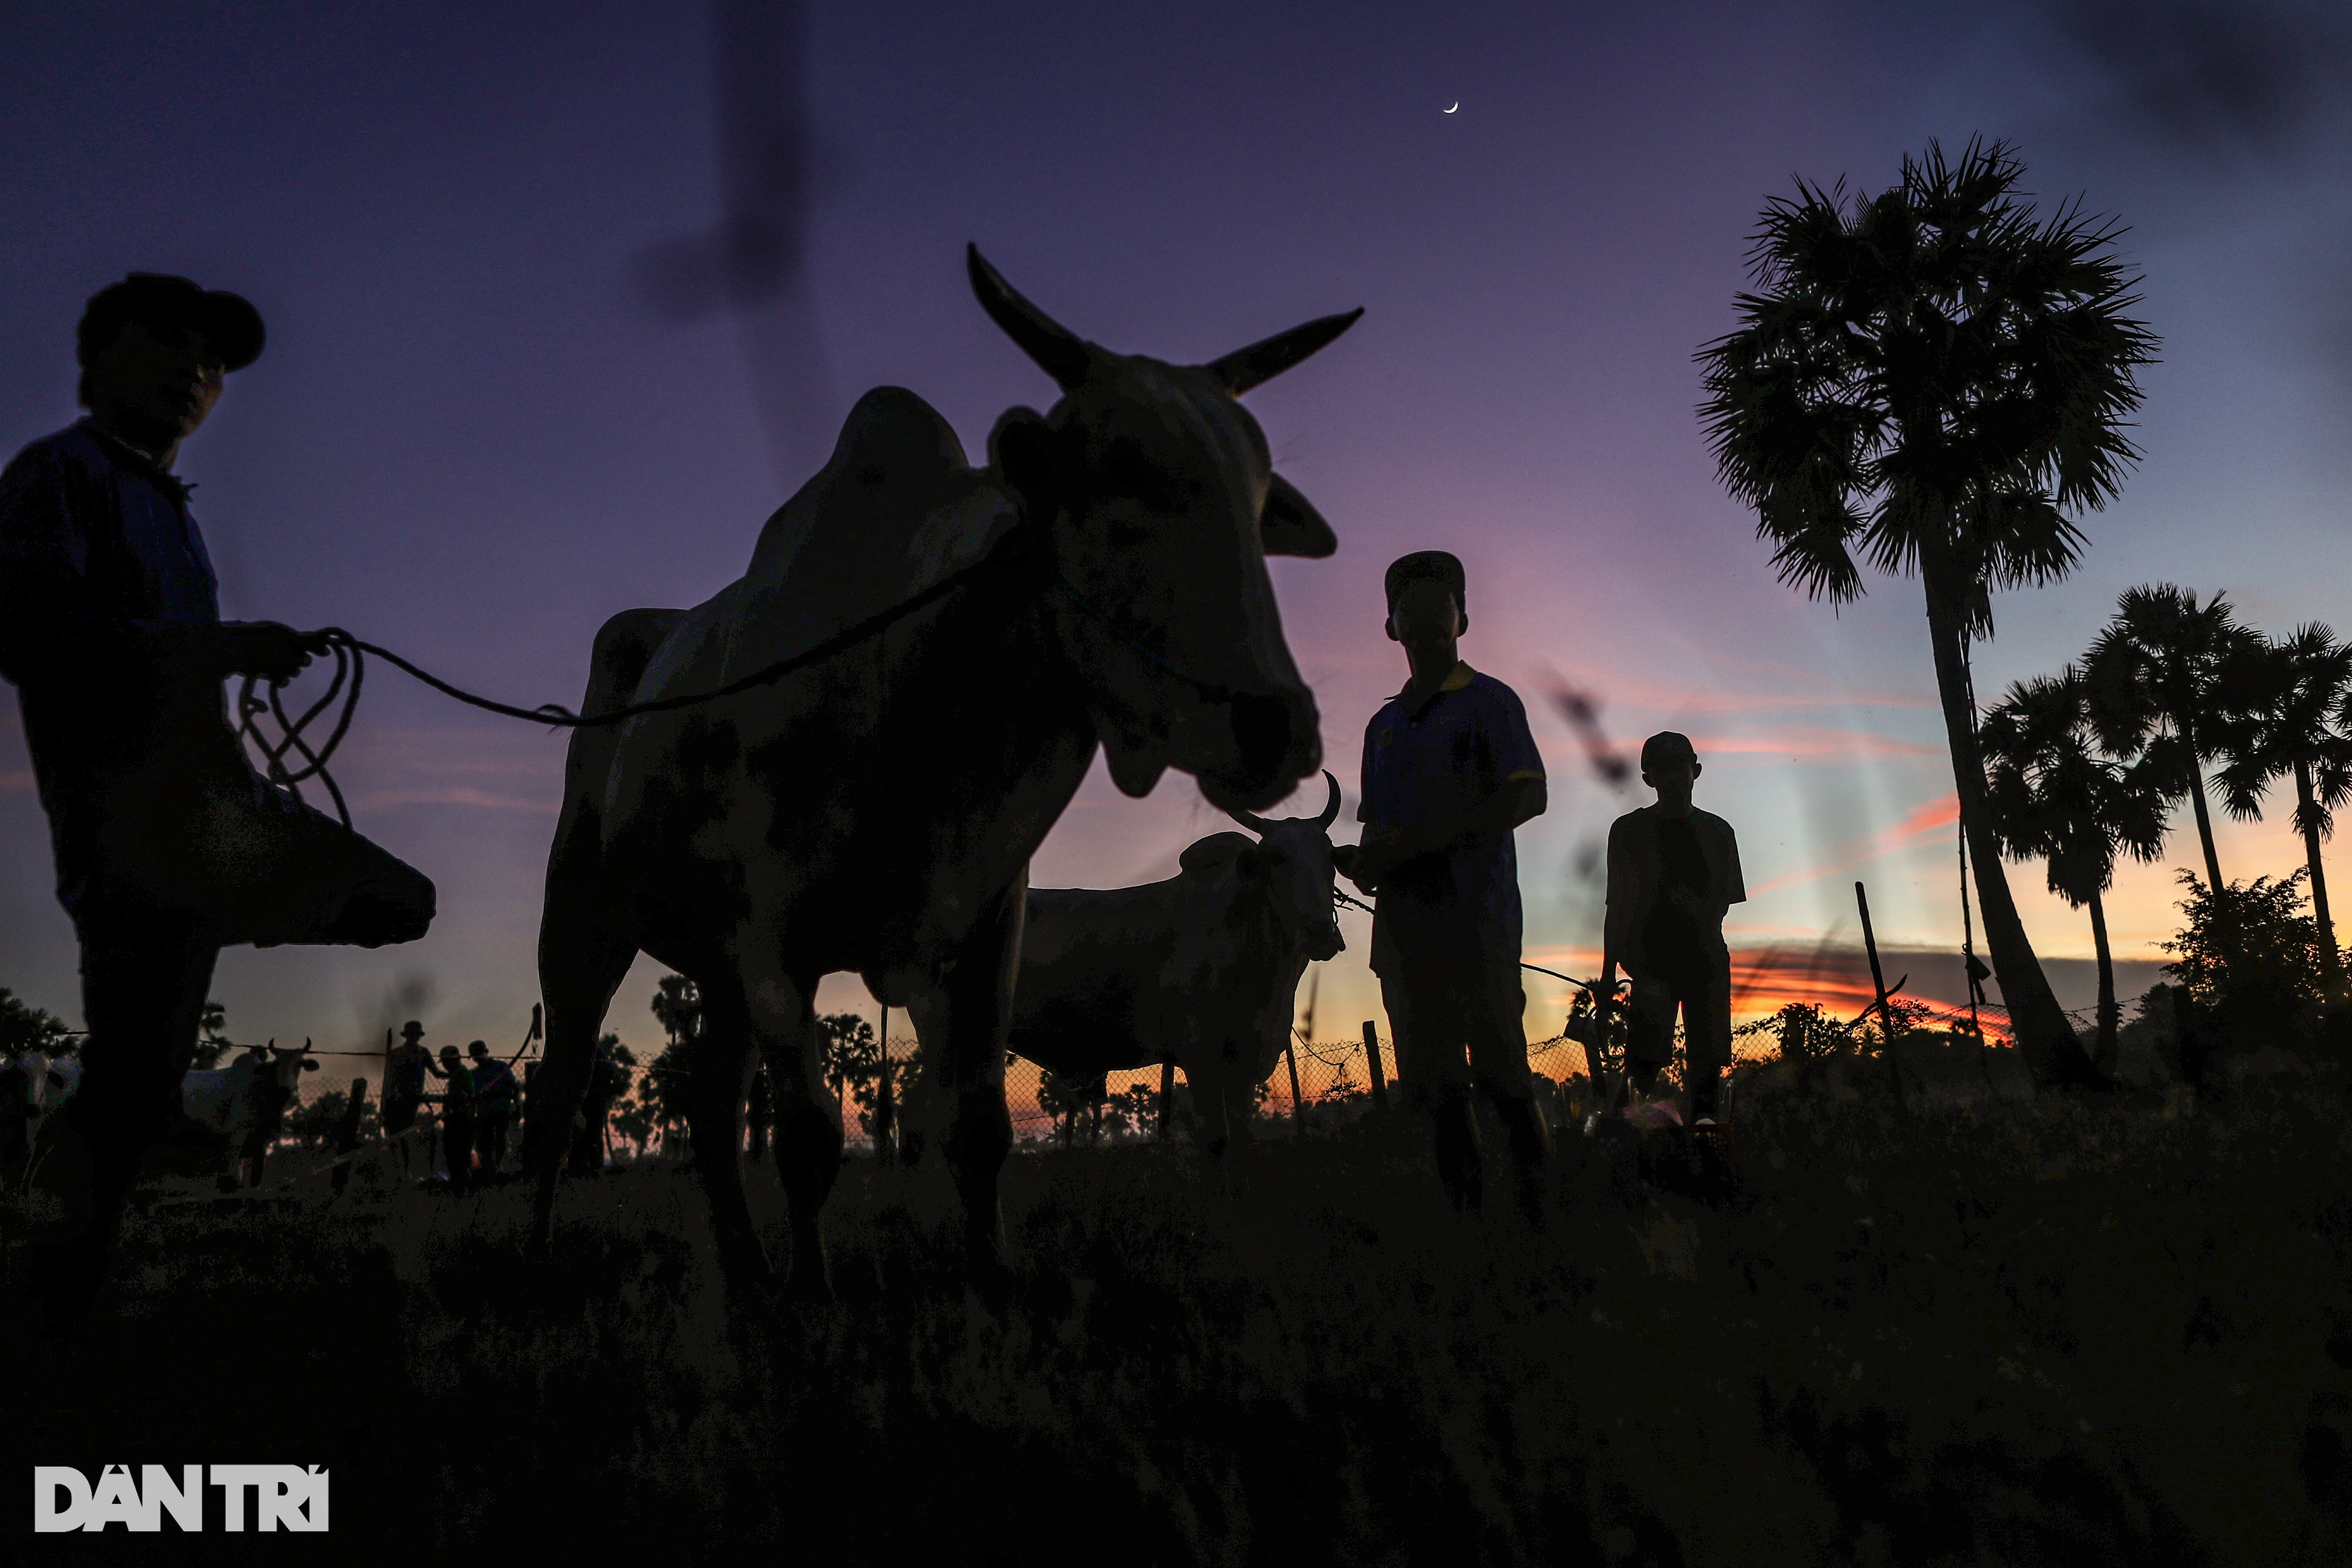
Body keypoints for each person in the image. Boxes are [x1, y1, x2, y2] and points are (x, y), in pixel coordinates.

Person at [0, 275, 436, 1327]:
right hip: (136, 832)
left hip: (210, 819)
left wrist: (223, 663)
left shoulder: (169, 513)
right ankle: (57, 1289)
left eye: (214, 363)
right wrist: (220, 650)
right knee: (121, 1091)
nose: (197, 371)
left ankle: (137, 1096)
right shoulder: (55, 475)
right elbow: (32, 639)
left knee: (396, 902)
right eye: (168, 344)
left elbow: (168, 665)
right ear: (97, 362)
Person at [1334, 551, 1551, 1218]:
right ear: (1390, 627)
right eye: (1410, 609)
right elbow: (1378, 828)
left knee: (1500, 1071)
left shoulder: (1490, 702)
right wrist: (1364, 864)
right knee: (1434, 1084)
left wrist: (1424, 843)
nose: (1424, 618)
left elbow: (1527, 797)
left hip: (1475, 918)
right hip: (1403, 928)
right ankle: (1467, 1223)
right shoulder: (1383, 726)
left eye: (1439, 606)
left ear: (1463, 619)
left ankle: (1538, 1219)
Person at [1602, 731, 1746, 1126]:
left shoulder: (1719, 833)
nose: (1671, 778)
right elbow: (1617, 908)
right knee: (1642, 1070)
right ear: (1648, 778)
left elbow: (1719, 907)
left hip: (1706, 965)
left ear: (1695, 771)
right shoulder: (1628, 831)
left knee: (1706, 1070)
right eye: (1661, 770)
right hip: (1650, 966)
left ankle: (1703, 1150)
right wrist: (1608, 974)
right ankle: (1626, 1145)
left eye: (1678, 768)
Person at [423, 1045, 476, 1191]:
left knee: (457, 1153)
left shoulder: (461, 1074)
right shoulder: (458, 1074)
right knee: (456, 1153)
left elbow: (463, 1097)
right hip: (457, 1118)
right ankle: (459, 1184)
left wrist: (450, 1106)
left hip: (460, 1120)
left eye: (447, 1062)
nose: (446, 1065)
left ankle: (461, 1185)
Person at [569, 1035, 623, 1176]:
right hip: (593, 1097)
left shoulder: (579, 1053)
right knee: (592, 1132)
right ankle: (589, 1164)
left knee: (588, 1132)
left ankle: (584, 1164)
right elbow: (611, 1072)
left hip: (585, 1097)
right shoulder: (596, 1053)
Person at [383, 1021, 432, 1174]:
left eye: (416, 1035)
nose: (414, 1037)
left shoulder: (423, 1053)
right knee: (392, 1133)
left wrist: (455, 1073)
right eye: (412, 1034)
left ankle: (405, 1170)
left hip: (411, 1099)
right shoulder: (396, 1053)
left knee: (406, 1134)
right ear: (407, 1036)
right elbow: (389, 1077)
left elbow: (436, 1072)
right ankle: (394, 1169)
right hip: (394, 1099)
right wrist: (390, 1094)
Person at [466, 1039, 517, 1174]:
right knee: (485, 1141)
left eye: (478, 1054)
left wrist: (516, 1106)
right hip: (484, 1112)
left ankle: (499, 1166)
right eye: (474, 1055)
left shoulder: (501, 1067)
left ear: (486, 1053)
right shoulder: (473, 1075)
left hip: (501, 1108)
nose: (477, 1058)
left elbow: (513, 1087)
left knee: (500, 1137)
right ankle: (489, 1168)